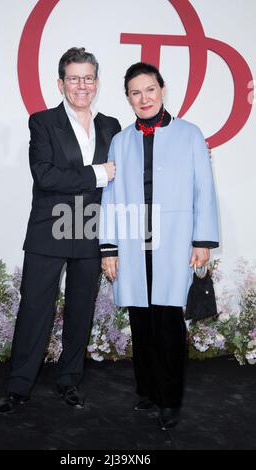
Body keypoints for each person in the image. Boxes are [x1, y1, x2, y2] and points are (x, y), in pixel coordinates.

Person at [0, 47, 120, 415]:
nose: (82, 85)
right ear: (61, 83)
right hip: (50, 227)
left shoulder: (111, 126)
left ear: (97, 82)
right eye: (75, 78)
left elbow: (127, 172)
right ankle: (18, 388)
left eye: (89, 78)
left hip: (91, 227)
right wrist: (98, 173)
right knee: (35, 308)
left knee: (81, 309)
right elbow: (44, 175)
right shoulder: (43, 121)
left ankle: (70, 381)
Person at [99, 62, 219, 430]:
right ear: (128, 98)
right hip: (135, 243)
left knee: (168, 322)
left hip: (176, 241)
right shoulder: (121, 140)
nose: (143, 98)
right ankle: (147, 391)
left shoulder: (189, 134)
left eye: (149, 89)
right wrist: (109, 247)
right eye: (135, 92)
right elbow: (111, 197)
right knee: (141, 320)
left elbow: (204, 189)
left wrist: (202, 240)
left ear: (162, 89)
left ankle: (170, 399)